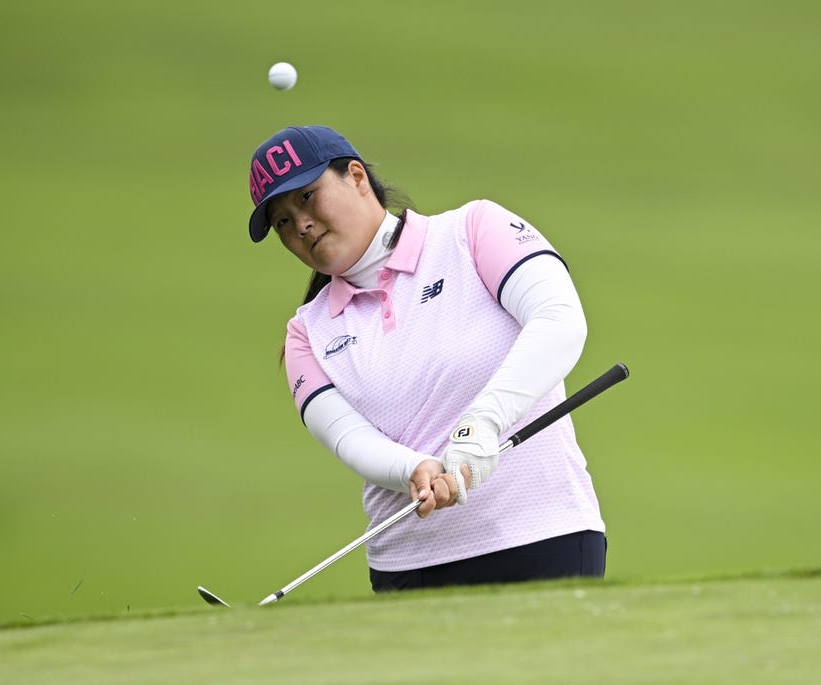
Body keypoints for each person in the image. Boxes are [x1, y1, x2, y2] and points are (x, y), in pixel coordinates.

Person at [246, 124, 606, 591]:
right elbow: (348, 439)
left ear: (356, 176)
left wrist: (482, 423)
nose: (301, 226)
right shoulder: (307, 335)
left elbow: (560, 319)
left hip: (543, 533)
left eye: (308, 198)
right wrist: (413, 470)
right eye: (282, 222)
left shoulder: (472, 231)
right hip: (410, 565)